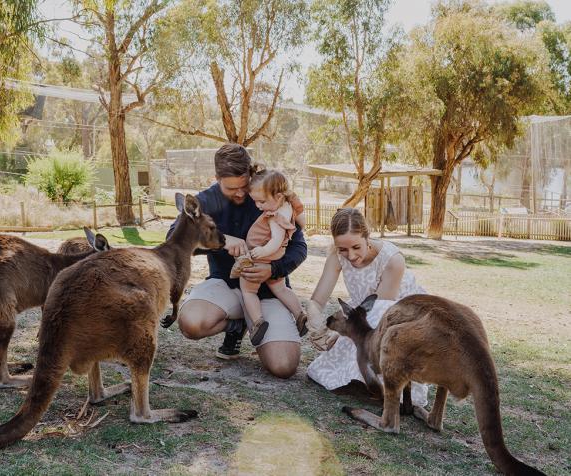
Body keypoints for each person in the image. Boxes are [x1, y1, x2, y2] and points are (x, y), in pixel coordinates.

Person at [168, 144, 307, 379]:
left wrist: (272, 269)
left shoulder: (269, 193)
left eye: (244, 186)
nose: (241, 194)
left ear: (251, 175)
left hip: (269, 290)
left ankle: (257, 323)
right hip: (226, 284)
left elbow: (299, 247)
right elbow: (174, 240)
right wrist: (220, 241)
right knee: (191, 324)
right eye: (232, 188)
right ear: (217, 179)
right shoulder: (206, 200)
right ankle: (236, 325)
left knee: (284, 366)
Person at [305, 207, 429, 406]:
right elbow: (317, 300)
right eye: (342, 249)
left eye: (356, 247)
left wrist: (338, 334)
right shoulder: (337, 256)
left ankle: (382, 383)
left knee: (363, 337)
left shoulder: (392, 259)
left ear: (367, 236)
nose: (350, 255)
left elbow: (380, 308)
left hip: (397, 315)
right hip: (362, 314)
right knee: (324, 369)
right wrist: (315, 321)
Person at [235, 170, 308, 345]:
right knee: (281, 289)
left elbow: (275, 241)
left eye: (262, 201)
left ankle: (258, 322)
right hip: (275, 257)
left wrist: (262, 251)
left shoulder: (274, 216)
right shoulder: (288, 206)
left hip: (262, 256)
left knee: (248, 291)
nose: (258, 206)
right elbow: (303, 222)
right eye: (255, 201)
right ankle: (300, 314)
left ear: (278, 195)